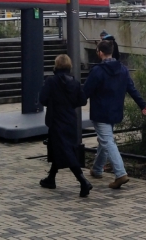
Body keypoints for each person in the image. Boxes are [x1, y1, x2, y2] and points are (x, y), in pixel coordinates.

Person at [83, 40, 146, 189]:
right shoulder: (123, 70)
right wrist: (143, 105)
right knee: (105, 140)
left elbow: (86, 91)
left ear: (100, 52)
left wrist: (74, 102)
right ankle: (97, 169)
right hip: (115, 111)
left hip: (100, 112)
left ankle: (120, 173)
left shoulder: (97, 71)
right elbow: (132, 89)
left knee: (107, 142)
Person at [38, 54, 92, 197]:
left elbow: (42, 99)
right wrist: (70, 104)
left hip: (56, 120)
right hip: (70, 120)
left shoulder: (51, 81)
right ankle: (51, 179)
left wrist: (53, 101)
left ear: (56, 66)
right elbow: (82, 101)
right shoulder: (74, 82)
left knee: (66, 151)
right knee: (61, 148)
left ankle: (83, 181)